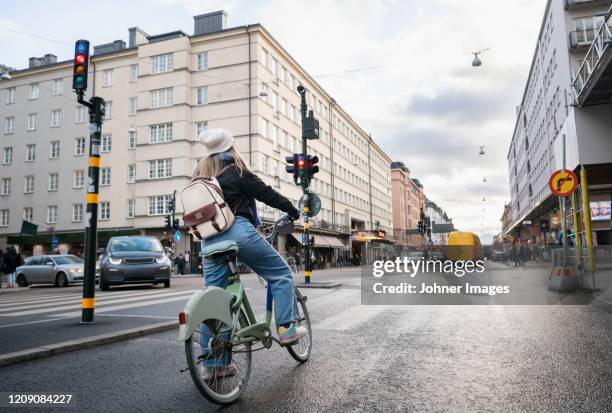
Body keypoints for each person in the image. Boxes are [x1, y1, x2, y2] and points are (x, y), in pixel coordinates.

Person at [194, 129, 305, 358]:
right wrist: (292, 210)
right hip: (238, 233)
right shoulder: (236, 171)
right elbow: (266, 193)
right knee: (281, 274)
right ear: (230, 148)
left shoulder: (199, 177)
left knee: (215, 297)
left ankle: (214, 364)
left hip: (207, 242)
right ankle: (286, 328)